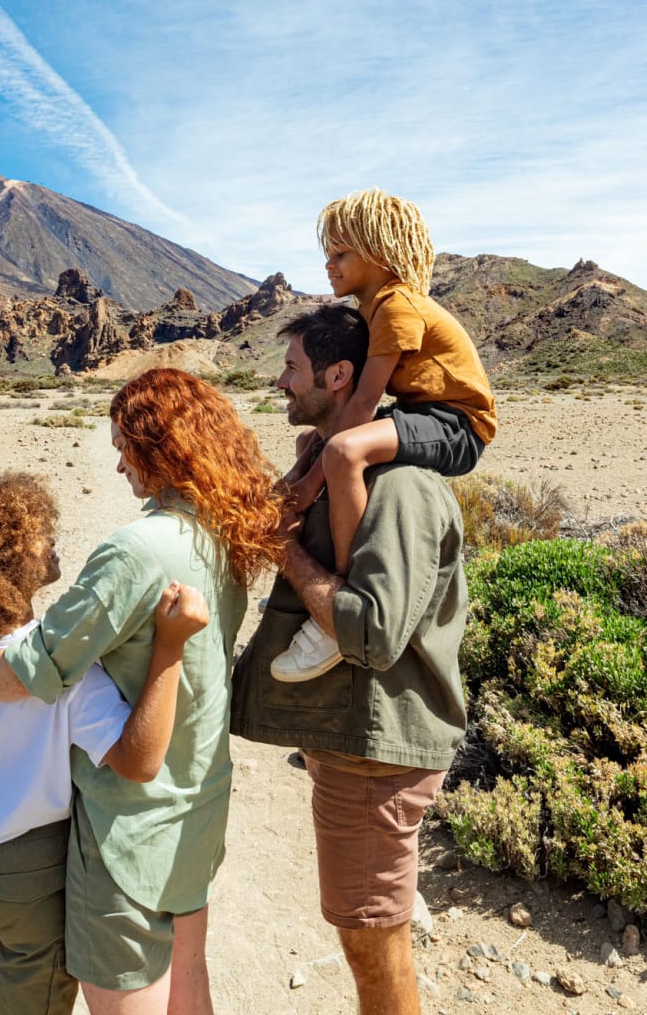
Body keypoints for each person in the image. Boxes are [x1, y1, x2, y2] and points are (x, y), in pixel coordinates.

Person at [0, 369, 283, 1015]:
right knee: (190, 979)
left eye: (125, 448)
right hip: (196, 803)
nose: (118, 466)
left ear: (158, 447)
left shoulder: (137, 550)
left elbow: (32, 670)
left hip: (127, 828)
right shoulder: (221, 535)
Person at [0, 471, 209, 1015]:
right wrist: (170, 648)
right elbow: (139, 760)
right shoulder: (62, 670)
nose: (51, 537)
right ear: (5, 565)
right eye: (36, 534)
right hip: (30, 872)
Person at [230, 304, 467, 1015]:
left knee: (374, 946)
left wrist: (287, 555)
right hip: (358, 748)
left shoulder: (398, 486)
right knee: (367, 935)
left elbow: (371, 633)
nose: (280, 382)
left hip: (377, 754)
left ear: (339, 375)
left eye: (293, 368)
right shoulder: (333, 465)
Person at [272, 187, 494, 681]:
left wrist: (311, 487)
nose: (329, 264)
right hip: (424, 411)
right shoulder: (373, 308)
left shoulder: (395, 306)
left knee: (345, 452)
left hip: (457, 423)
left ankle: (343, 597)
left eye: (340, 253)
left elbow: (365, 401)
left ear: (378, 250)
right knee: (316, 442)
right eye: (326, 254)